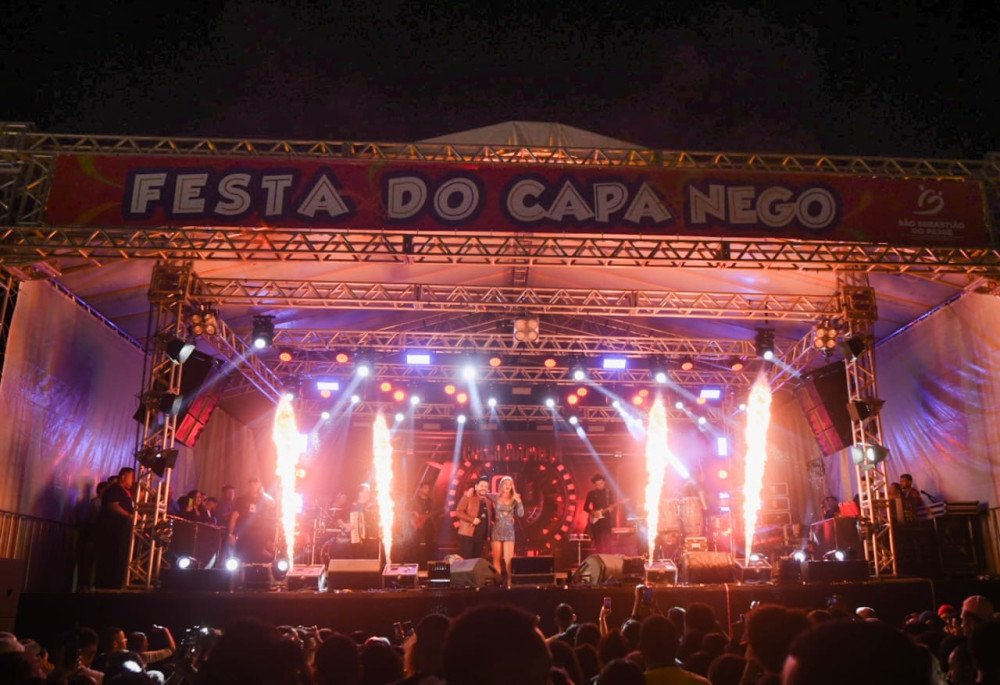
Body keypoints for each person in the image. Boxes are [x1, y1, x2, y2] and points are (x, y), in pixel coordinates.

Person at [95, 467, 136, 589]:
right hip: (111, 531)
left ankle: (115, 584)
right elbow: (112, 506)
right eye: (131, 477)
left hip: (121, 532)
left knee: (119, 558)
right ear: (123, 476)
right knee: (110, 559)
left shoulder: (125, 492)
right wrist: (129, 515)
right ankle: (106, 586)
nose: (132, 480)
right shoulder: (115, 489)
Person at [228, 477, 277, 563]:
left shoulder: (263, 499)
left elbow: (273, 503)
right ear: (249, 486)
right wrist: (230, 534)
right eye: (252, 484)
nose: (254, 487)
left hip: (260, 534)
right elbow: (234, 516)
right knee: (243, 557)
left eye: (256, 484)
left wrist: (263, 493)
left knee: (258, 558)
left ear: (259, 486)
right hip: (245, 533)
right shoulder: (242, 499)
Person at [489, 475, 524, 585]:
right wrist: (472, 490)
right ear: (501, 485)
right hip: (497, 529)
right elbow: (483, 493)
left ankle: (510, 582)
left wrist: (519, 501)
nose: (508, 485)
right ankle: (497, 582)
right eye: (506, 483)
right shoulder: (495, 497)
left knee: (508, 560)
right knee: (496, 559)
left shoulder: (514, 498)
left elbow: (521, 514)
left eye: (510, 484)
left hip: (509, 531)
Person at [453, 478, 493, 560]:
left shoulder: (488, 501)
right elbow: (458, 512)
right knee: (465, 561)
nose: (483, 488)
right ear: (476, 487)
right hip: (467, 534)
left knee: (476, 562)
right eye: (481, 485)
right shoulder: (468, 496)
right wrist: (472, 519)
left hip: (481, 537)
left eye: (486, 486)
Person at [406, 482, 439, 564]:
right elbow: (406, 511)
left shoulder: (430, 501)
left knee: (430, 545)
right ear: (420, 489)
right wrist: (413, 513)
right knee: (415, 545)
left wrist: (442, 512)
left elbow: (434, 514)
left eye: (428, 488)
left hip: (429, 525)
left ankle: (429, 565)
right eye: (425, 488)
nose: (427, 490)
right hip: (416, 525)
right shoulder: (414, 500)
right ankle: (414, 565)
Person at [348, 483, 380, 559]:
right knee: (358, 560)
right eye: (366, 491)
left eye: (369, 492)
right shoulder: (353, 506)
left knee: (372, 560)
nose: (369, 494)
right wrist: (346, 525)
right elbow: (340, 518)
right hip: (357, 539)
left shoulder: (373, 506)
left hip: (371, 539)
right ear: (360, 493)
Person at [584, 474, 615, 553]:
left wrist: (611, 508)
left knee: (608, 541)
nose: (599, 486)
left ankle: (609, 560)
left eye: (601, 483)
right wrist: (592, 512)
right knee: (598, 542)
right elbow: (585, 507)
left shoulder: (609, 492)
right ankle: (599, 560)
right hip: (596, 521)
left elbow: (612, 505)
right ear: (594, 484)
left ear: (604, 482)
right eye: (597, 484)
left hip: (607, 520)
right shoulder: (591, 493)